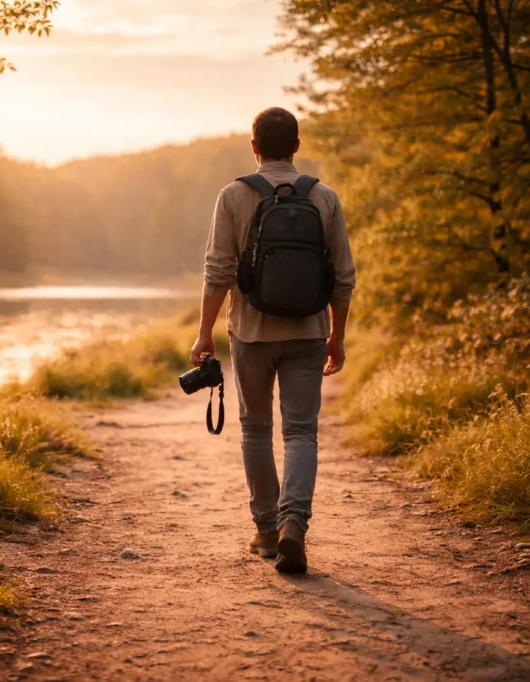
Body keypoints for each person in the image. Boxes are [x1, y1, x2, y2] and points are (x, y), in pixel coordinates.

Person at [190, 107, 356, 573]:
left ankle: (265, 531)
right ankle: (293, 527)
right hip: (308, 332)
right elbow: (343, 277)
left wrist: (205, 333)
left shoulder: (233, 196)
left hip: (250, 333)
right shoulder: (324, 198)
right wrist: (336, 337)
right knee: (301, 432)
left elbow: (218, 270)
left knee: (256, 429)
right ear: (297, 146)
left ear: (254, 146)